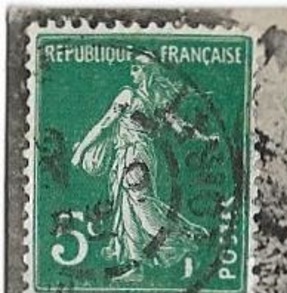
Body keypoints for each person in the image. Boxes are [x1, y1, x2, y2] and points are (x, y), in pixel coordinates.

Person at [71, 55, 213, 275]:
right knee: (129, 206)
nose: (132, 74)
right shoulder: (156, 99)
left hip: (134, 157)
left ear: (147, 71)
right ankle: (134, 260)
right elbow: (180, 128)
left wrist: (80, 152)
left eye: (136, 69)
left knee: (139, 205)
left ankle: (183, 235)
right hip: (138, 156)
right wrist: (204, 138)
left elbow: (104, 125)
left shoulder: (128, 95)